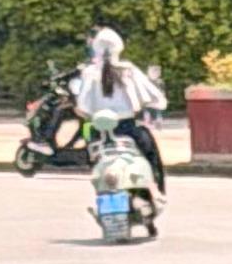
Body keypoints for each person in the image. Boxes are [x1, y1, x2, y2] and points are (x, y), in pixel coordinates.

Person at [71, 28, 168, 192]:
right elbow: (156, 99)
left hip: (98, 131)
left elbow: (82, 107)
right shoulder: (128, 70)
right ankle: (158, 192)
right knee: (152, 157)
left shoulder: (89, 73)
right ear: (119, 47)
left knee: (94, 161)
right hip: (128, 128)